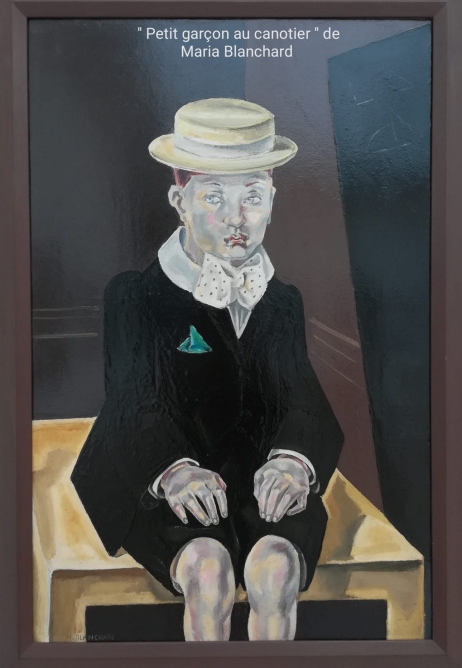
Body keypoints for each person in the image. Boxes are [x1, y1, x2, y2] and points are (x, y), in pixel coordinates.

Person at [71, 98, 344, 641]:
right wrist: (174, 472)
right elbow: (132, 404)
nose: (237, 218)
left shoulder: (282, 301)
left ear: (272, 201)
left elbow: (304, 401)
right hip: (155, 475)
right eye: (215, 197)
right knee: (209, 570)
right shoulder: (135, 296)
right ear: (180, 201)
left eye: (252, 197)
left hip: (254, 477)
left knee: (275, 569)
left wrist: (293, 462)